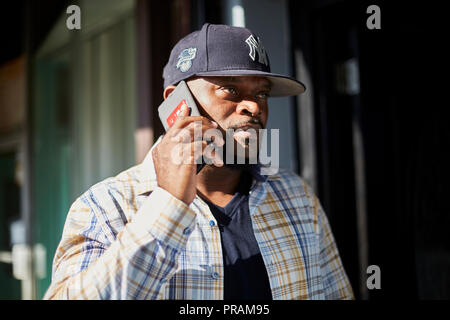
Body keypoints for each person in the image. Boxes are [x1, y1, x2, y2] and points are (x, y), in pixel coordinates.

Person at [44, 23, 354, 300]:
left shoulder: (295, 195)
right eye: (230, 89)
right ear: (177, 104)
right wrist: (168, 204)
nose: (252, 106)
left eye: (261, 93)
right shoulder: (106, 207)